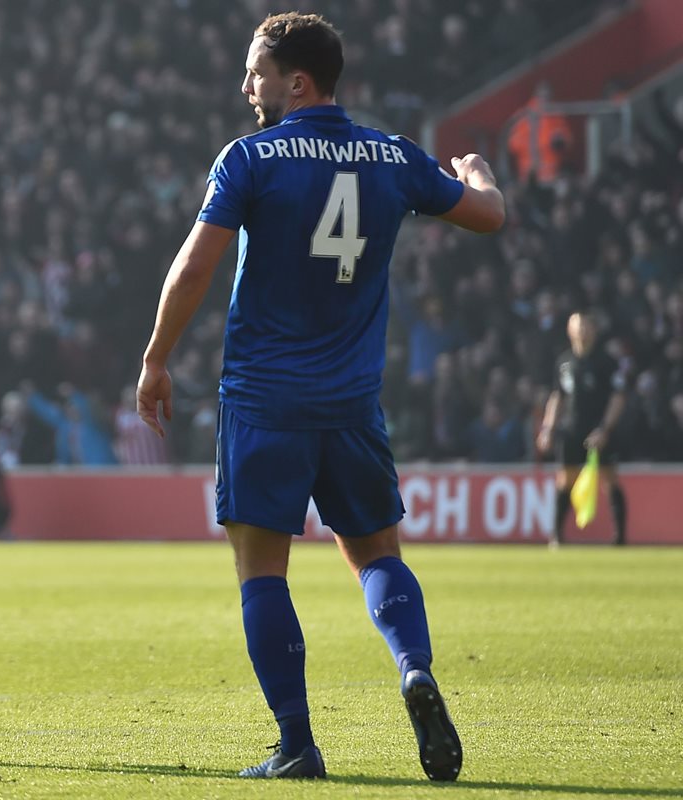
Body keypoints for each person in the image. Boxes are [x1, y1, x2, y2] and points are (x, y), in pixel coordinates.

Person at [136, 13, 505, 782]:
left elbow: (196, 265)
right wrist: (475, 171)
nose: (247, 88)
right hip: (353, 404)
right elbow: (488, 216)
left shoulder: (250, 160)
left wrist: (156, 358)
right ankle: (413, 666)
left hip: (265, 401)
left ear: (296, 81)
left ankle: (297, 744)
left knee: (261, 570)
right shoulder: (391, 154)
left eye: (256, 74)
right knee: (376, 554)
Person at [536, 311, 628, 546]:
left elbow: (618, 397)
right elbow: (558, 397)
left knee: (609, 480)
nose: (582, 331)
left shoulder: (607, 362)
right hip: (572, 430)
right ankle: (556, 536)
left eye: (586, 326)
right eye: (578, 327)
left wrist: (604, 429)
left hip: (599, 430)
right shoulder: (564, 362)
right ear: (570, 331)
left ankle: (620, 538)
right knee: (565, 479)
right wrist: (548, 428)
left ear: (594, 331)